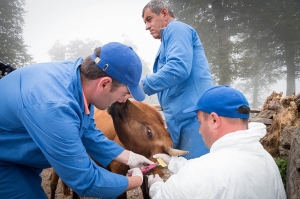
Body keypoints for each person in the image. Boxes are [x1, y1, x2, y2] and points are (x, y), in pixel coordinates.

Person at [0, 42, 154, 199]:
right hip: (5, 161)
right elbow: (86, 181)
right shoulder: (55, 107)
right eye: (125, 93)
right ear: (105, 84)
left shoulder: (79, 81)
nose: (123, 100)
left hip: (19, 156)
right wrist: (135, 180)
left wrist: (128, 156)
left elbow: (87, 131)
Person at [147, 85, 287, 199]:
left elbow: (165, 195)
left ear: (214, 120)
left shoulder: (202, 172)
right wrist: (173, 162)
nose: (200, 130)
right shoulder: (266, 160)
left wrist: (156, 186)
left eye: (200, 122)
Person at [140, 0, 214, 159]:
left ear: (164, 14)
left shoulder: (177, 28)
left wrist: (139, 86)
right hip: (181, 119)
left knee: (198, 172)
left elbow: (178, 68)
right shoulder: (165, 43)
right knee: (183, 171)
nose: (146, 26)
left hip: (195, 117)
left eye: (149, 19)